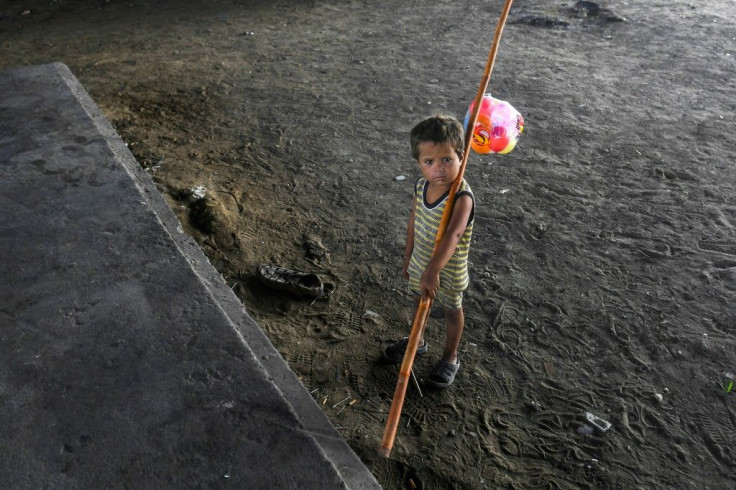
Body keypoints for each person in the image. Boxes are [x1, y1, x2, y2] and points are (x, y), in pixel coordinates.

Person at [383, 115, 475, 388]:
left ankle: (450, 357)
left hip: (447, 269)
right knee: (418, 300)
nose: (439, 169)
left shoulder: (462, 197)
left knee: (451, 309)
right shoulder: (421, 186)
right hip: (421, 262)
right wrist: (409, 255)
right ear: (419, 163)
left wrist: (432, 271)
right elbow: (413, 219)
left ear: (461, 156)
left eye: (447, 160)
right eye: (429, 162)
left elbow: (453, 235)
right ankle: (417, 341)